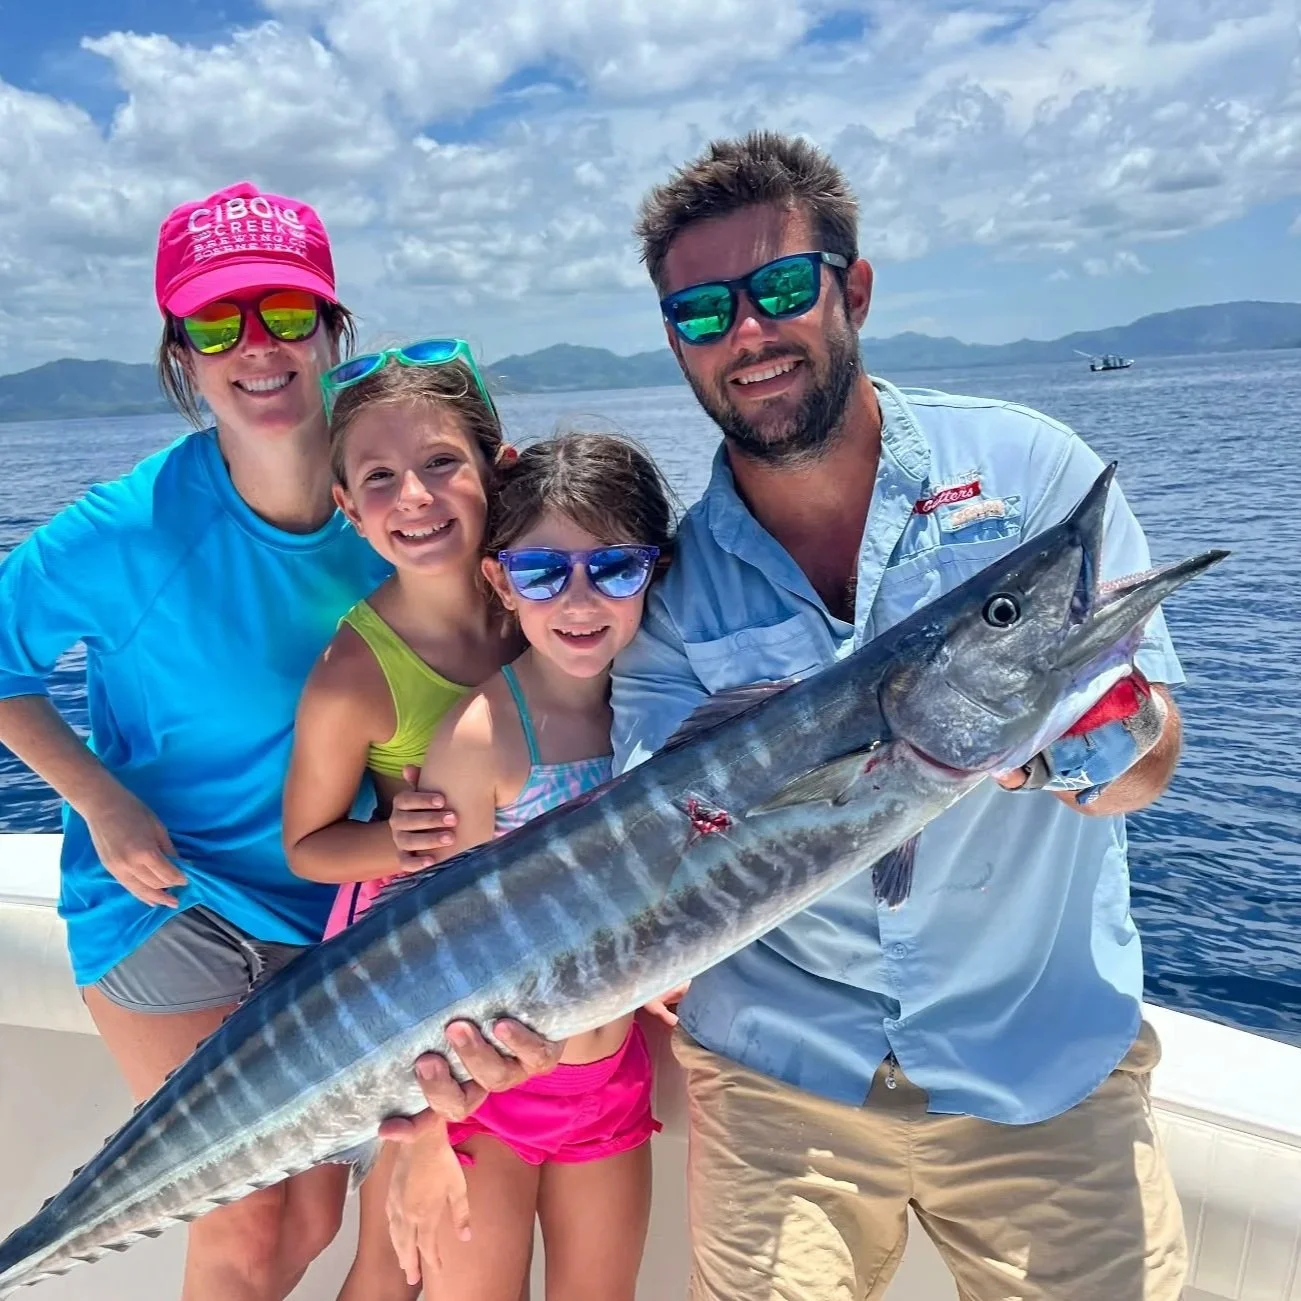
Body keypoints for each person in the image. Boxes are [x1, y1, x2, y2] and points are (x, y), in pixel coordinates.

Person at [387, 132, 1192, 1301]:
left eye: (775, 289)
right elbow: (672, 836)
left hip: (1042, 1064)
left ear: (850, 288)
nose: (745, 333)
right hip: (779, 1080)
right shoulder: (675, 584)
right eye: (703, 311)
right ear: (673, 338)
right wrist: (503, 1027)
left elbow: (1149, 755)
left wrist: (1091, 747)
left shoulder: (1033, 475)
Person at [0, 181, 390, 1301]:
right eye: (218, 323)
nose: (257, 348)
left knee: (313, 1211)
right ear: (181, 353)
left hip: (332, 905)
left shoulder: (397, 490)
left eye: (286, 314)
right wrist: (101, 798)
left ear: (332, 331)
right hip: (167, 899)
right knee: (245, 1208)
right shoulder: (127, 529)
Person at [382, 433, 679, 1300]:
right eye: (546, 572)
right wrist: (427, 1144)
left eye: (614, 568)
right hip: (480, 1106)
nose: (580, 599)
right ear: (500, 581)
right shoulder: (478, 741)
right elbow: (423, 964)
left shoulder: (655, 724)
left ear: (654, 572)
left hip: (611, 1082)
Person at [282, 339, 521, 1301]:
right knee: (394, 1264)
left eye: (439, 463)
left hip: (529, 955)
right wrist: (388, 839)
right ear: (347, 507)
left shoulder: (546, 598)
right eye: (379, 478)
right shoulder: (353, 672)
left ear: (496, 467)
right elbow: (306, 846)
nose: (413, 497)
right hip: (405, 974)